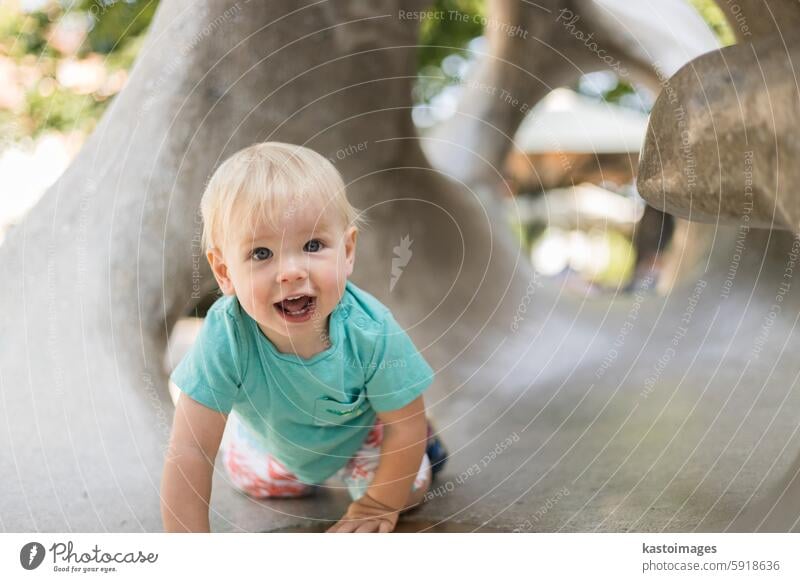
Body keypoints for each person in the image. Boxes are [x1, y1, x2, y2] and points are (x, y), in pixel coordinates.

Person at [161, 142, 446, 533]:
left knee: (408, 487)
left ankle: (424, 439)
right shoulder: (225, 336)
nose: (291, 271)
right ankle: (260, 440)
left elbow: (403, 426)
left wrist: (377, 505)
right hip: (278, 442)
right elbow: (191, 450)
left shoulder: (370, 329)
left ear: (346, 251)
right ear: (225, 272)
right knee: (253, 480)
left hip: (362, 435)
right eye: (261, 253)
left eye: (313, 245)